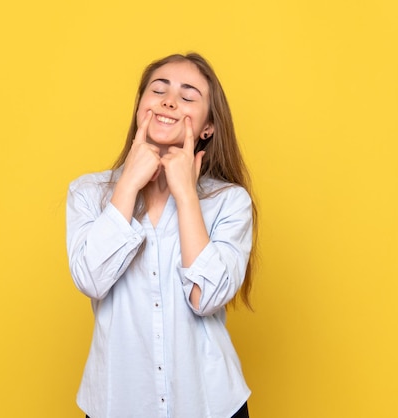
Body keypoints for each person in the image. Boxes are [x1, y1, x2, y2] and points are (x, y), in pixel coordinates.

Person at [66, 52, 257, 418]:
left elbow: (206, 298)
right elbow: (91, 278)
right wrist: (129, 184)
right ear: (141, 107)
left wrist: (186, 194)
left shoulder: (228, 202)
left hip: (209, 404)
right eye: (158, 90)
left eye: (188, 96)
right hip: (117, 404)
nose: (170, 101)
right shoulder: (88, 193)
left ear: (208, 127)